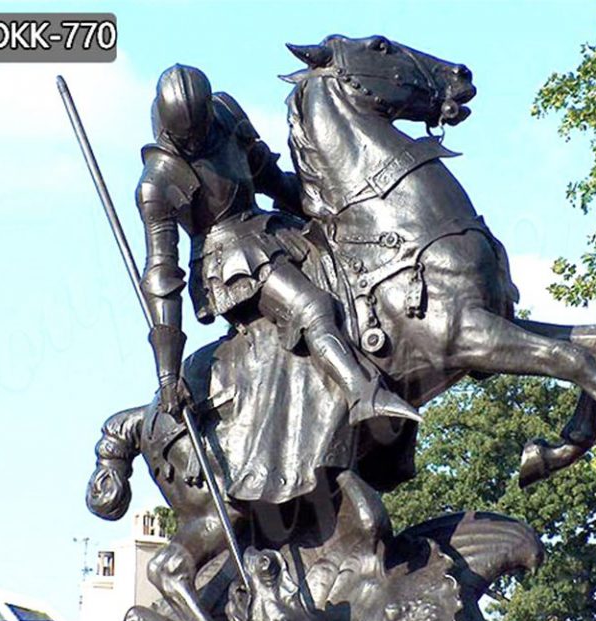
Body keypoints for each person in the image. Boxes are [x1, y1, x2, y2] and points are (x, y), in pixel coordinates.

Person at [137, 63, 419, 426]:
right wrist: (168, 374)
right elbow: (162, 277)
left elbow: (269, 178)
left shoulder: (225, 113)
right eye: (186, 140)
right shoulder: (157, 183)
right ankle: (363, 395)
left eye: (200, 133)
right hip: (229, 263)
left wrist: (327, 209)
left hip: (272, 229)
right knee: (312, 306)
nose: (195, 144)